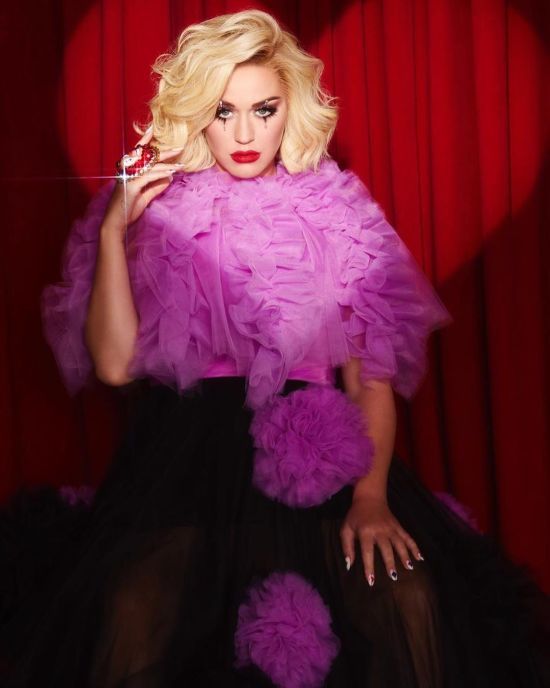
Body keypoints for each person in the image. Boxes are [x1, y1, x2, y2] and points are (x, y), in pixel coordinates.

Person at [1, 9, 548, 688]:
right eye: (222, 111)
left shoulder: (339, 214)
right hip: (188, 462)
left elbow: (369, 380)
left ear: (291, 109)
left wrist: (371, 498)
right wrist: (116, 229)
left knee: (406, 600)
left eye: (264, 109)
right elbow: (113, 365)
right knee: (134, 610)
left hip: (317, 463)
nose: (244, 134)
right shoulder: (159, 212)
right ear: (198, 117)